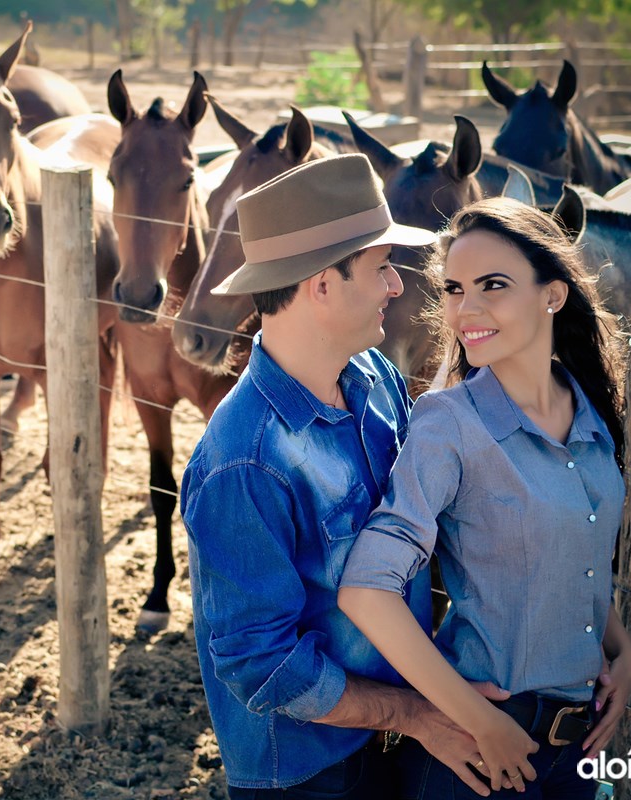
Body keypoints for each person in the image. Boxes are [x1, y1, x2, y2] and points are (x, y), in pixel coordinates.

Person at [181, 154, 507, 800]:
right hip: (307, 773)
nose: (396, 285)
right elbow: (264, 668)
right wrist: (415, 714)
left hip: (392, 731)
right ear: (322, 285)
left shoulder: (375, 381)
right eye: (381, 266)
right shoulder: (242, 460)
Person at [338, 196, 631, 798]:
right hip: (478, 757)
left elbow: (572, 550)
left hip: (579, 751)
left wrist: (621, 650)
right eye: (453, 289)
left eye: (492, 286)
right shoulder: (448, 424)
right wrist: (479, 722)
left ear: (552, 295)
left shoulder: (592, 411)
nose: (465, 310)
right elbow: (367, 591)